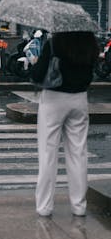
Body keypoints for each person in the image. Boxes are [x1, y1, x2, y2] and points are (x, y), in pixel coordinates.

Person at [31, 31, 99, 217]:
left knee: (48, 153)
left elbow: (37, 75)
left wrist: (36, 63)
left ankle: (44, 206)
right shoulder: (89, 43)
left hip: (54, 99)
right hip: (79, 98)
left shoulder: (54, 43)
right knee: (78, 153)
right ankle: (79, 205)